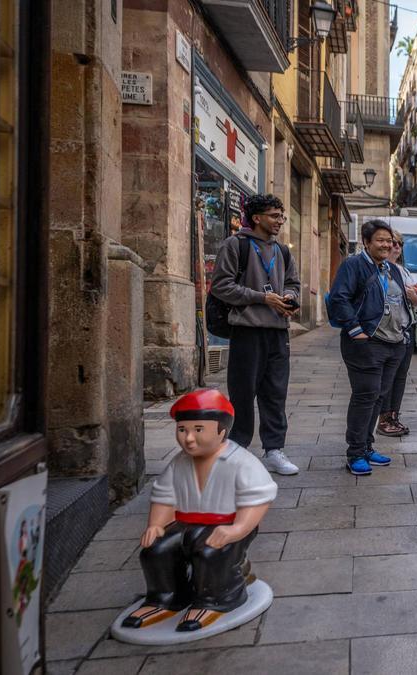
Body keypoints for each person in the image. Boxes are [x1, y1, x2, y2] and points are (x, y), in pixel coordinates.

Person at [121, 389, 276, 634]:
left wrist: (238, 529)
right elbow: (165, 495)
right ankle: (166, 598)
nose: (188, 439)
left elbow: (257, 498)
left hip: (227, 523)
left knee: (210, 555)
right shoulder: (179, 462)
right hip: (185, 523)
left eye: (198, 430)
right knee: (156, 552)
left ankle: (218, 599)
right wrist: (156, 524)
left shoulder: (240, 462)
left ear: (221, 431)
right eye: (183, 430)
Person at [327, 220, 417, 476]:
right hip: (366, 343)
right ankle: (355, 453)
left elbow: (399, 301)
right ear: (367, 242)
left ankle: (368, 447)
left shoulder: (390, 269)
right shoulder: (354, 265)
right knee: (365, 396)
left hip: (394, 343)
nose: (387, 245)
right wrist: (354, 328)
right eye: (381, 240)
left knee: (378, 397)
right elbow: (339, 298)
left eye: (389, 241)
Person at [210, 193, 301, 477]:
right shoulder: (235, 245)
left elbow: (293, 283)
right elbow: (221, 287)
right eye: (274, 216)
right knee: (242, 393)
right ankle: (237, 450)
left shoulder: (283, 251)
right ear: (257, 218)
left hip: (277, 333)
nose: (280, 221)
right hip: (247, 331)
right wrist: (263, 298)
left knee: (275, 394)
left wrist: (288, 296)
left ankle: (274, 450)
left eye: (282, 216)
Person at [377, 229, 417, 438]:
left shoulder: (403, 271)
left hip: (405, 332)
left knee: (400, 377)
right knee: (385, 379)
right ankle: (382, 418)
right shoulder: (377, 269)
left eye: (399, 244)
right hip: (385, 333)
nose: (396, 247)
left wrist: (414, 298)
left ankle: (393, 415)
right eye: (392, 243)